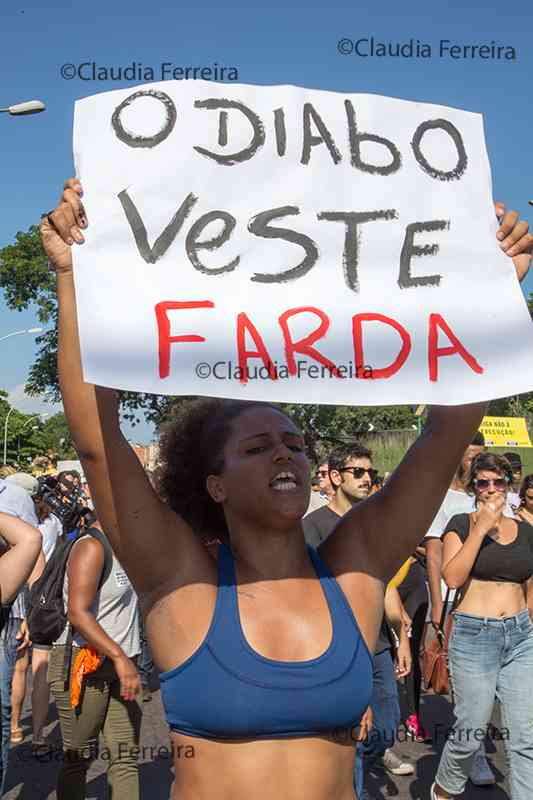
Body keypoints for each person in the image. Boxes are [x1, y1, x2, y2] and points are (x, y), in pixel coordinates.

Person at [41, 179, 532, 800]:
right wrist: (74, 277)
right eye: (257, 447)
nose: (285, 453)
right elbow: (97, 440)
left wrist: (492, 291)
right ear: (213, 484)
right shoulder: (181, 581)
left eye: (295, 443)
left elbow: (447, 431)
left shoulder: (355, 569)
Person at [304, 444, 414, 794]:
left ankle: (342, 773)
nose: (367, 479)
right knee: (350, 733)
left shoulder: (373, 524)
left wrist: (402, 638)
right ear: (336, 477)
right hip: (338, 646)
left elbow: (384, 582)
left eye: (371, 473)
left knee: (386, 726)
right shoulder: (312, 527)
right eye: (358, 472)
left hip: (378, 644)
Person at [432, 453, 533, 800]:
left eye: (498, 482)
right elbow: (452, 577)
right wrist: (481, 528)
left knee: (525, 738)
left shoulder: (526, 531)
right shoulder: (461, 524)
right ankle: (443, 791)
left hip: (520, 636)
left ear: (509, 485)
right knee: (470, 733)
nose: (491, 489)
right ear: (472, 487)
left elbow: (530, 586)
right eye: (483, 482)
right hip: (475, 636)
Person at [48, 512, 142, 800]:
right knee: (79, 757)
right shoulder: (92, 547)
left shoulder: (132, 544)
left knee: (125, 758)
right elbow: (78, 613)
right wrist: (119, 656)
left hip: (123, 665)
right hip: (84, 665)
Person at [10, 492, 62, 751]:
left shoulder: (14, 526)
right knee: (40, 670)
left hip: (15, 597)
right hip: (44, 598)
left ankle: (15, 727)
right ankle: (39, 737)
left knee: (19, 669)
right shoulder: (53, 523)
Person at [0, 483, 43, 794]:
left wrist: (32, 611)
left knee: (7, 690)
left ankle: (15, 725)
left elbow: (34, 548)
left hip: (13, 610)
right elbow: (30, 539)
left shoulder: (14, 495)